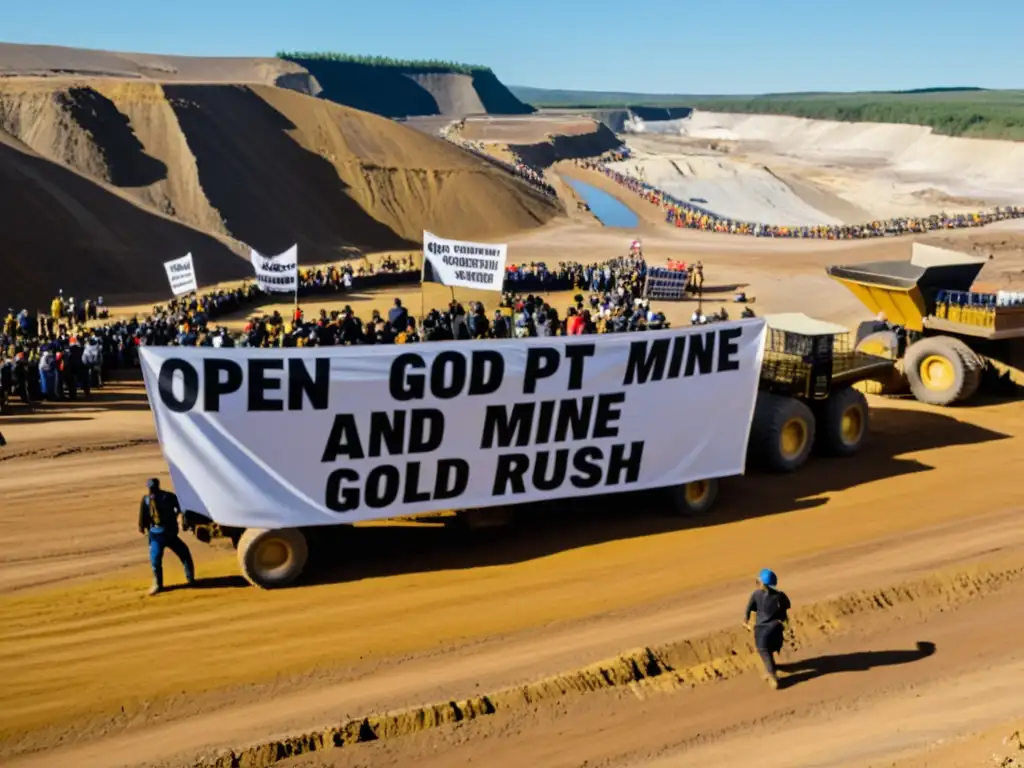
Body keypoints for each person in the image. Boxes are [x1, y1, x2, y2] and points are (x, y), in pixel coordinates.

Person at [138, 478, 195, 596]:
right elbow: (143, 515)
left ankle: (190, 579)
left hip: (168, 532)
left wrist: (179, 518)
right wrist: (142, 526)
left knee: (183, 553)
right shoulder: (148, 500)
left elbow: (180, 508)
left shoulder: (166, 497)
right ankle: (158, 583)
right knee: (156, 559)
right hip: (157, 534)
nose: (151, 490)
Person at [743, 568, 791, 689]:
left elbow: (748, 610)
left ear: (762, 583)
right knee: (771, 649)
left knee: (764, 651)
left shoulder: (756, 594)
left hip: (762, 630)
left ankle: (772, 676)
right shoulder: (781, 596)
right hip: (777, 629)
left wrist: (746, 621)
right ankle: (772, 667)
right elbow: (786, 609)